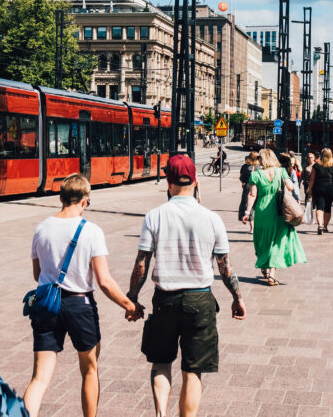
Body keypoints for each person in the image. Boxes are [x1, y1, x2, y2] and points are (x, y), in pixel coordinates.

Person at [127, 155, 245, 417]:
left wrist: (132, 298)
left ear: (169, 182)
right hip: (200, 301)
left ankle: (160, 414)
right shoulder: (212, 219)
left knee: (161, 362)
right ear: (195, 180)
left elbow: (141, 263)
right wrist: (237, 297)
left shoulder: (154, 216)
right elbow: (225, 266)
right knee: (193, 371)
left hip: (165, 300)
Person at [23, 174, 142, 417]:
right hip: (80, 305)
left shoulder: (42, 228)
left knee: (39, 378)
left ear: (60, 198)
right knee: (89, 370)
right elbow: (104, 281)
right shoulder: (92, 231)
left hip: (47, 305)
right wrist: (129, 305)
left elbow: (38, 275)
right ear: (85, 201)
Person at [242, 149, 307, 286]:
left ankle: (264, 267)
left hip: (262, 211)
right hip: (278, 210)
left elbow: (252, 195)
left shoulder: (256, 174)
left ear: (262, 160)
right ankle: (271, 274)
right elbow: (290, 187)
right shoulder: (281, 171)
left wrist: (247, 213)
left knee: (263, 240)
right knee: (277, 242)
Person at [306, 148, 333, 235]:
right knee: (328, 208)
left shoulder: (316, 166)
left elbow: (312, 179)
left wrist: (309, 190)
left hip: (318, 189)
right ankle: (325, 226)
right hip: (330, 189)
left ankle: (320, 225)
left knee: (319, 207)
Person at [237, 152, 259, 231]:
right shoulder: (259, 167)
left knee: (248, 205)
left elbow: (241, 177)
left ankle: (252, 228)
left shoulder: (245, 167)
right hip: (258, 187)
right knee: (257, 206)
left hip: (247, 187)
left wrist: (243, 181)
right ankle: (256, 226)